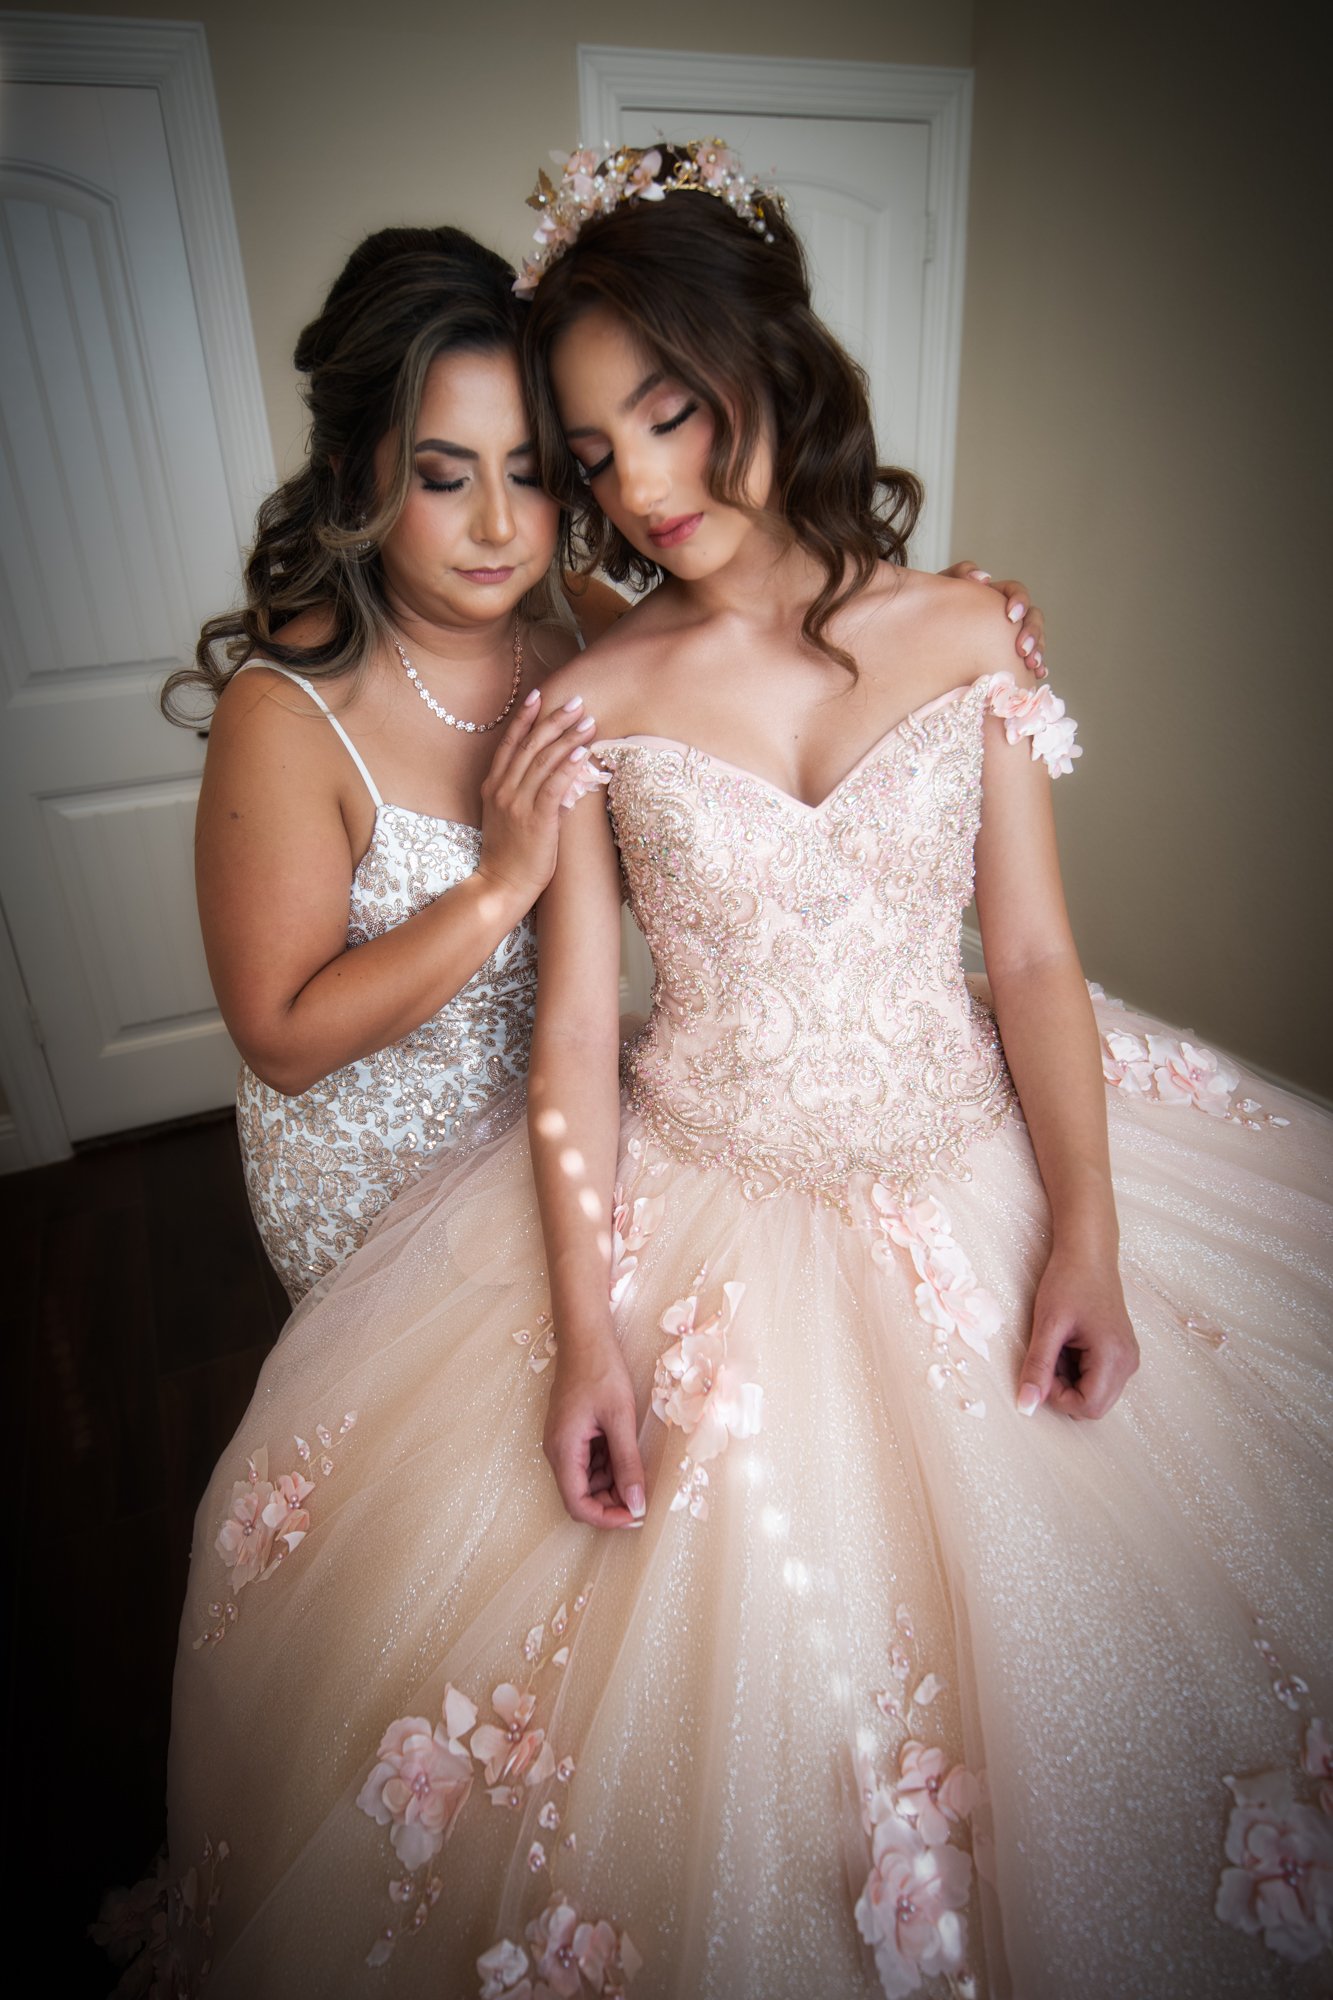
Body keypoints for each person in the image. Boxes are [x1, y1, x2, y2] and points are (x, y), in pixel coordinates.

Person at [112, 144, 1333, 2000]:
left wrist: (1082, 1229)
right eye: (593, 456)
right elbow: (576, 1042)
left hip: (966, 1154)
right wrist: (596, 1335)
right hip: (681, 1182)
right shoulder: (579, 700)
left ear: (770, 367)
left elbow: (1025, 957)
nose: (636, 493)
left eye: (654, 425)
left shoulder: (951, 635)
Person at [174, 223, 1045, 1302]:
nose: (498, 526)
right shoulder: (287, 712)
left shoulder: (572, 629)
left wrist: (942, 620)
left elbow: (738, 657)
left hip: (579, 1123)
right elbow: (281, 1040)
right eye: (445, 479)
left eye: (537, 475)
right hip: (377, 1172)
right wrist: (500, 884)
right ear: (361, 478)